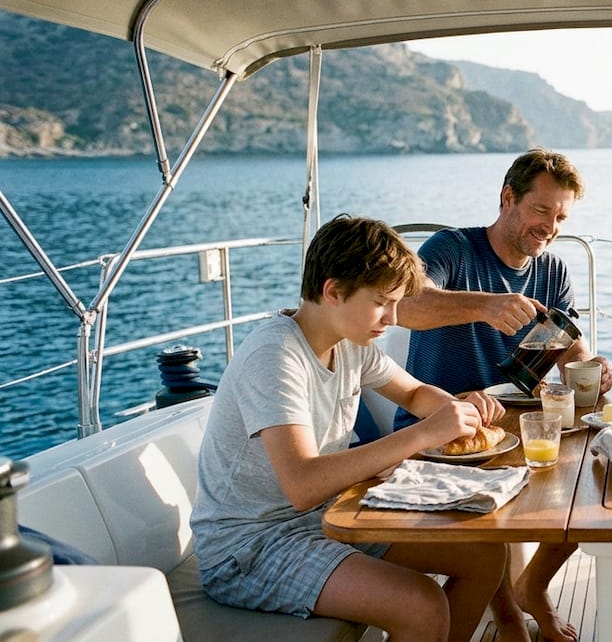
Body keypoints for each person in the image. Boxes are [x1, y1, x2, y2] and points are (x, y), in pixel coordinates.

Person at [191, 214, 508, 642]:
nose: (392, 318)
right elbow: (302, 483)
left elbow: (414, 394)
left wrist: (459, 408)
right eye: (382, 302)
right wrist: (422, 435)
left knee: (486, 556)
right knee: (421, 604)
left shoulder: (352, 344)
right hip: (249, 546)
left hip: (326, 518)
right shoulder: (275, 356)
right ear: (334, 291)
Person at [394, 147, 612, 642]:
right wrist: (487, 306)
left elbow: (564, 343)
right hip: (442, 431)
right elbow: (406, 306)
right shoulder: (452, 249)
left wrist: (591, 368)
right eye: (541, 210)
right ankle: (509, 612)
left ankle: (533, 585)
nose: (550, 226)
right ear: (507, 198)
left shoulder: (552, 271)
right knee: (497, 493)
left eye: (560, 217)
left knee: (596, 478)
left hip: (513, 422)